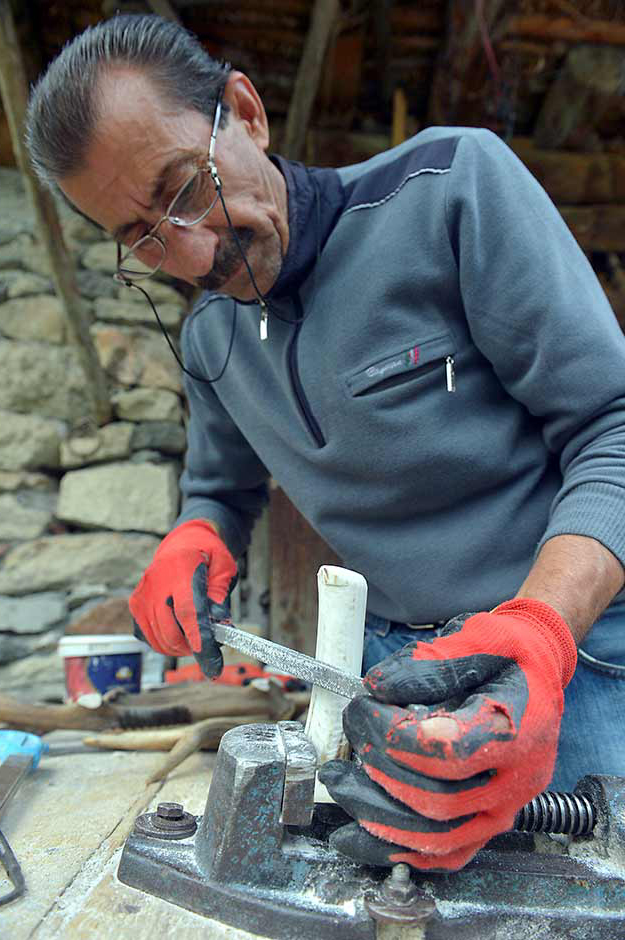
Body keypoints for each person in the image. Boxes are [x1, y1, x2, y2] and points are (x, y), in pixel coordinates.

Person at [26, 14, 625, 872]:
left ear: (245, 112)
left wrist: (538, 629)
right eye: (139, 237)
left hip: (578, 658)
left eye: (184, 190)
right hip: (393, 682)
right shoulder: (209, 341)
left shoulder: (448, 187)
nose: (192, 252)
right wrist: (197, 534)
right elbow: (221, 490)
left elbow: (612, 424)